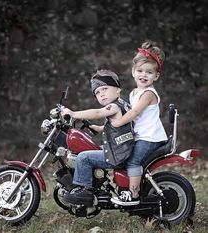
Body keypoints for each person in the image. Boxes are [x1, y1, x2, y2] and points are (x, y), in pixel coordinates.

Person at [61, 69, 134, 206]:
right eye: (98, 92)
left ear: (118, 89)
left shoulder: (114, 106)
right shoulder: (123, 104)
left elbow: (97, 112)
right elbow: (118, 126)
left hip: (118, 154)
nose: (102, 94)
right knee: (93, 150)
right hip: (121, 150)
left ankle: (85, 190)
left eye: (105, 89)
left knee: (83, 157)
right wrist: (99, 128)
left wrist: (73, 113)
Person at [110, 40, 168, 206]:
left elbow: (134, 112)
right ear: (133, 72)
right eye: (140, 70)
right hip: (140, 136)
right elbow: (129, 114)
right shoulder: (134, 92)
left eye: (149, 72)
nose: (144, 75)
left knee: (133, 161)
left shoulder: (148, 94)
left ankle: (133, 194)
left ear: (156, 76)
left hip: (150, 138)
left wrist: (119, 121)